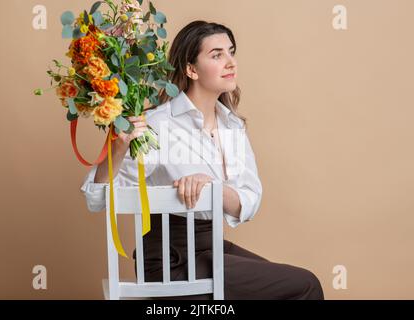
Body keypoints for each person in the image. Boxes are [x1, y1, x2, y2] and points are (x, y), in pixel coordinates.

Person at [80, 20, 324, 300]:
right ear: (191, 69)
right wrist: (118, 148)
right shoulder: (158, 125)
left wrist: (211, 188)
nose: (230, 62)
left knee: (291, 287)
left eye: (231, 52)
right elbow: (97, 199)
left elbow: (250, 199)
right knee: (305, 284)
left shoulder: (232, 126)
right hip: (170, 260)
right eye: (217, 55)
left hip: (211, 247)